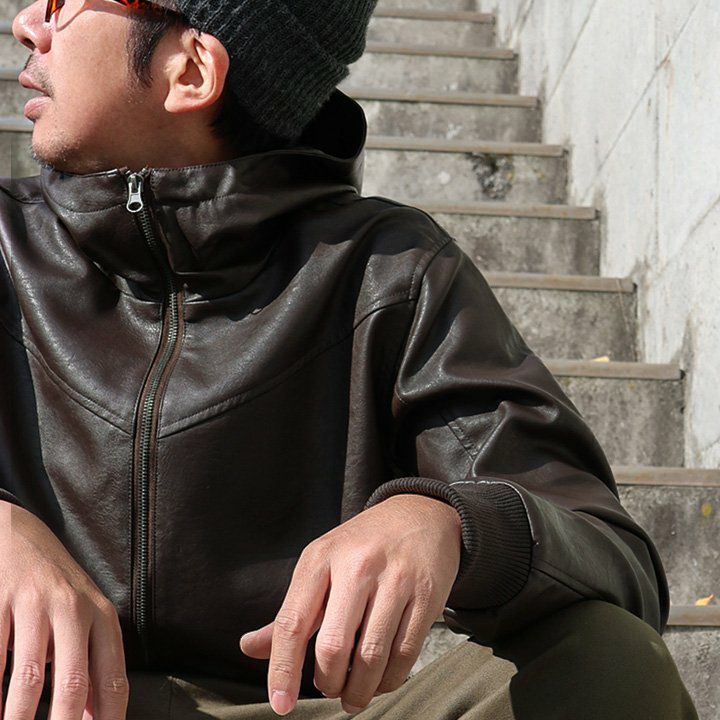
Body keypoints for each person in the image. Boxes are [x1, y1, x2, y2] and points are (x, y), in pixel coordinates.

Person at [0, 0, 698, 718]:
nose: (28, 24)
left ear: (191, 71)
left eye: (64, 3)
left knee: (611, 659)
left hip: (299, 708)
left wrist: (449, 523)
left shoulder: (390, 272)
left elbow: (612, 557)